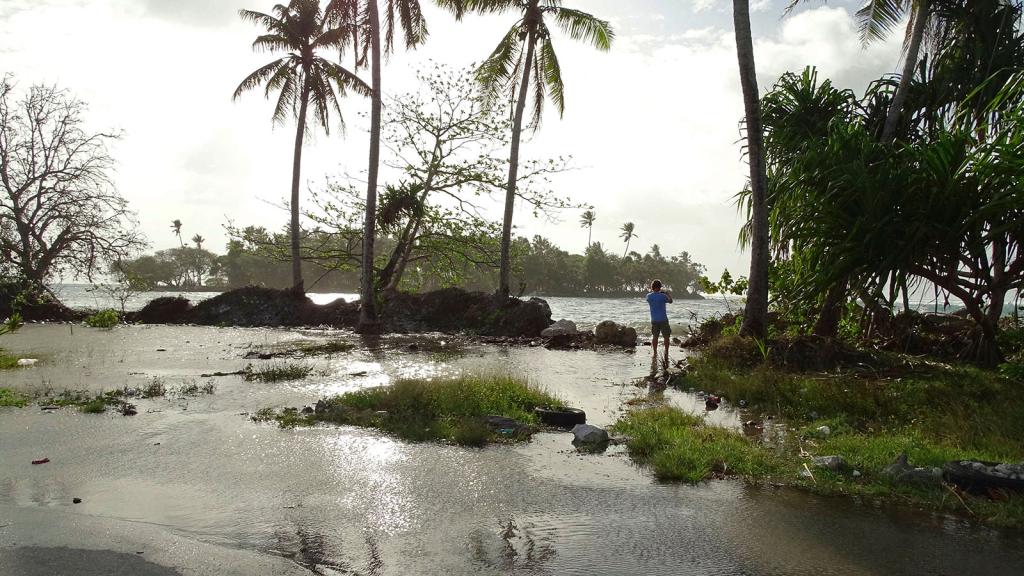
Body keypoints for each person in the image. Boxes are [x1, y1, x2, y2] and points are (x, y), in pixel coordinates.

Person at [646, 279, 673, 376]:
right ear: (660, 287)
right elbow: (670, 301)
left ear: (652, 287)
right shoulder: (663, 296)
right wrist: (667, 293)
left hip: (654, 319)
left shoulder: (649, 296)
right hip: (663, 319)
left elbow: (650, 298)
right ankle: (666, 351)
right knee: (666, 336)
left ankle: (655, 352)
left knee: (655, 336)